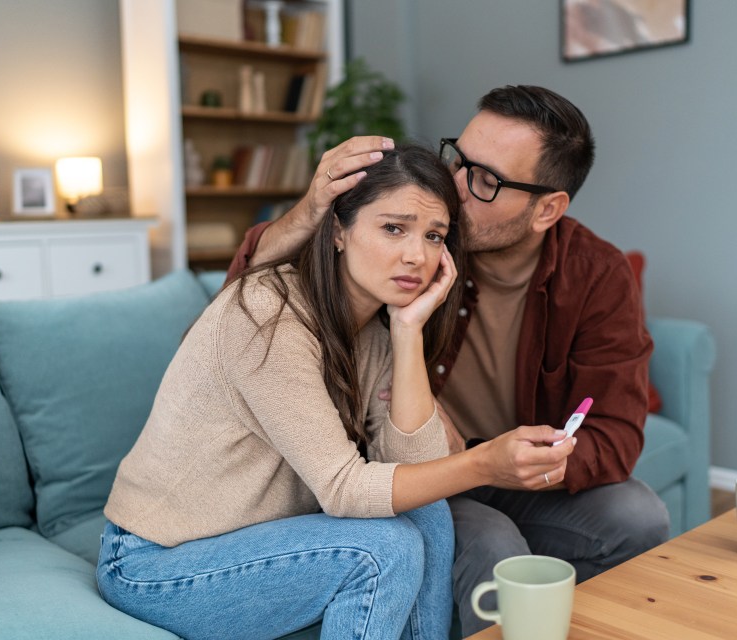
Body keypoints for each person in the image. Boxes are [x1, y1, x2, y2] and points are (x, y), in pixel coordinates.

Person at [225, 86, 668, 637]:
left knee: (638, 516)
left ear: (547, 209)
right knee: (494, 545)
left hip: (511, 473)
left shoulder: (596, 275)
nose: (455, 189)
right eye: (459, 160)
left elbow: (616, 435)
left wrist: (520, 461)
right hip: (411, 471)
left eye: (487, 181)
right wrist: (312, 210)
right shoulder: (419, 241)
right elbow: (246, 292)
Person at [98, 144, 576, 640]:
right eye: (394, 228)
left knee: (427, 510)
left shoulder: (375, 330)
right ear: (339, 231)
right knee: (382, 548)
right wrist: (483, 463)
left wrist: (409, 332)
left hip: (260, 543)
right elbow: (344, 488)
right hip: (155, 564)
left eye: (434, 236)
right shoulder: (266, 314)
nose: (417, 255)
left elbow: (413, 468)